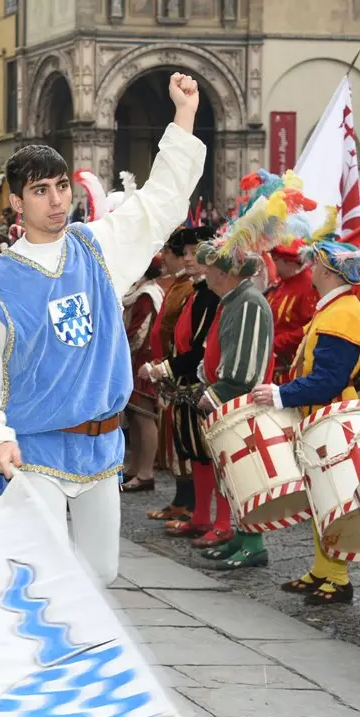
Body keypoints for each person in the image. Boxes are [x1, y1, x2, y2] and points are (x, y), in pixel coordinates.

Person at [0, 72, 205, 717]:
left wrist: (184, 116)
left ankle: (59, 687)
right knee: (54, 583)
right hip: (33, 455)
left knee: (98, 573)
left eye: (61, 186)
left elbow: (159, 203)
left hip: (100, 452)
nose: (56, 199)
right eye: (40, 189)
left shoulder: (100, 248)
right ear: (17, 199)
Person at [250, 241, 360, 605]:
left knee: (330, 498)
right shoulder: (334, 308)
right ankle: (322, 569)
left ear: (330, 271)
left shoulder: (343, 312)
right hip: (320, 412)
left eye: (316, 263)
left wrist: (282, 394)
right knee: (320, 498)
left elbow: (330, 379)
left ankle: (337, 577)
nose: (310, 268)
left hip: (330, 413)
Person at [192, 242, 276, 569]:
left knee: (245, 475)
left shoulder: (249, 303)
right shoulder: (234, 300)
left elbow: (244, 371)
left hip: (241, 405)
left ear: (224, 273)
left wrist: (214, 394)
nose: (205, 273)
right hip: (231, 404)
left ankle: (253, 544)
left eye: (210, 268)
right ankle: (242, 538)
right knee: (232, 475)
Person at [144, 228, 223, 546]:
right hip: (186, 381)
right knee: (194, 452)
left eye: (195, 253)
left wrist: (166, 367)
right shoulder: (197, 290)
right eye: (187, 253)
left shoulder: (210, 294)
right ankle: (200, 514)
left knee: (207, 454)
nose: (188, 258)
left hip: (199, 382)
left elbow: (202, 347)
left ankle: (216, 519)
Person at [145, 232, 198, 520]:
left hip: (178, 369)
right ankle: (180, 499)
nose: (163, 257)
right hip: (167, 367)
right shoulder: (178, 285)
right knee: (175, 440)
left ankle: (189, 503)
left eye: (168, 252)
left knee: (185, 444)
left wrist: (166, 364)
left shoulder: (187, 287)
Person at [121, 258, 167, 493]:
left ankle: (145, 471)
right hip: (134, 360)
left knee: (144, 416)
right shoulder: (140, 290)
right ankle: (134, 467)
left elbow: (139, 330)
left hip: (142, 361)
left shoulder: (147, 295)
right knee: (135, 416)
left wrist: (119, 349)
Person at [265, 242, 319, 383]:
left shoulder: (308, 286)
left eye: (275, 259)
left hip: (290, 368)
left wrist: (276, 343)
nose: (271, 262)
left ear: (289, 262)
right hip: (272, 362)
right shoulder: (281, 283)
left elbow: (311, 328)